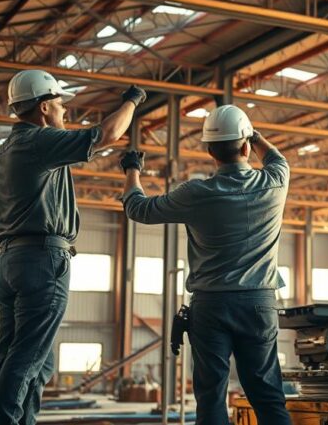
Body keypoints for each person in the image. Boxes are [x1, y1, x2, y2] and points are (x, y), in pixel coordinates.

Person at [0, 70, 145, 425]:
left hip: (9, 259)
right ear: (43, 108)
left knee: (18, 357)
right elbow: (109, 134)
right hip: (41, 259)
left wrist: (16, 252)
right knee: (27, 357)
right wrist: (133, 100)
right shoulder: (38, 141)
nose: (64, 112)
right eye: (59, 104)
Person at [120, 104, 291, 425]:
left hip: (210, 307)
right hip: (258, 304)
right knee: (267, 394)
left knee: (211, 395)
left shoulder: (195, 193)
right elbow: (276, 158)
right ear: (245, 145)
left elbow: (138, 209)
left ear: (210, 150)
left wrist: (132, 170)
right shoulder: (274, 183)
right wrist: (254, 135)